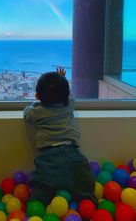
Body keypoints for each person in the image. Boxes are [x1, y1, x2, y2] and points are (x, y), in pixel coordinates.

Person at [23, 67, 97, 206]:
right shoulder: (69, 105)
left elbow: (26, 114)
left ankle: (37, 205)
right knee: (84, 185)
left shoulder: (36, 112)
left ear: (37, 96)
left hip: (48, 157)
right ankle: (89, 204)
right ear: (65, 94)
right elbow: (70, 97)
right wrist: (63, 78)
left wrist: (35, 103)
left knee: (41, 187)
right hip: (73, 153)